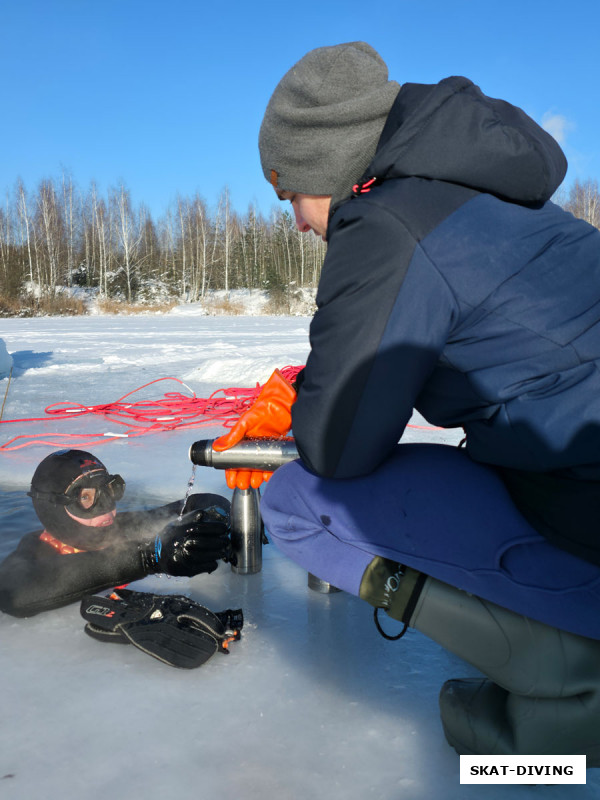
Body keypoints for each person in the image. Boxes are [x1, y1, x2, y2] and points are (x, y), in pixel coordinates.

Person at [213, 42, 600, 762]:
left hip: (586, 508)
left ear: (325, 167)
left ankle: (571, 699)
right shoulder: (485, 193)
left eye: (288, 193)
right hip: (574, 461)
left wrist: (304, 404)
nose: (297, 221)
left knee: (302, 500)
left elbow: (340, 444)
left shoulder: (385, 225)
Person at [0, 449, 231, 618]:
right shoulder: (35, 551)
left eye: (109, 491)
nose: (107, 507)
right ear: (54, 507)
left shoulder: (120, 528)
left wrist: (216, 521)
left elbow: (197, 503)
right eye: (86, 498)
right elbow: (14, 593)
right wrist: (150, 557)